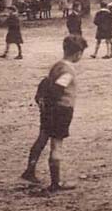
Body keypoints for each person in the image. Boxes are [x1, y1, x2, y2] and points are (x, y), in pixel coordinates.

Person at [21, 35, 88, 191]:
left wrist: (42, 100)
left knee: (42, 139)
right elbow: (58, 88)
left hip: (48, 109)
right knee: (56, 145)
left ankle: (30, 170)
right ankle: (55, 183)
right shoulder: (69, 71)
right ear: (78, 53)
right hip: (61, 110)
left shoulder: (56, 66)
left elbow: (45, 83)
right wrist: (53, 102)